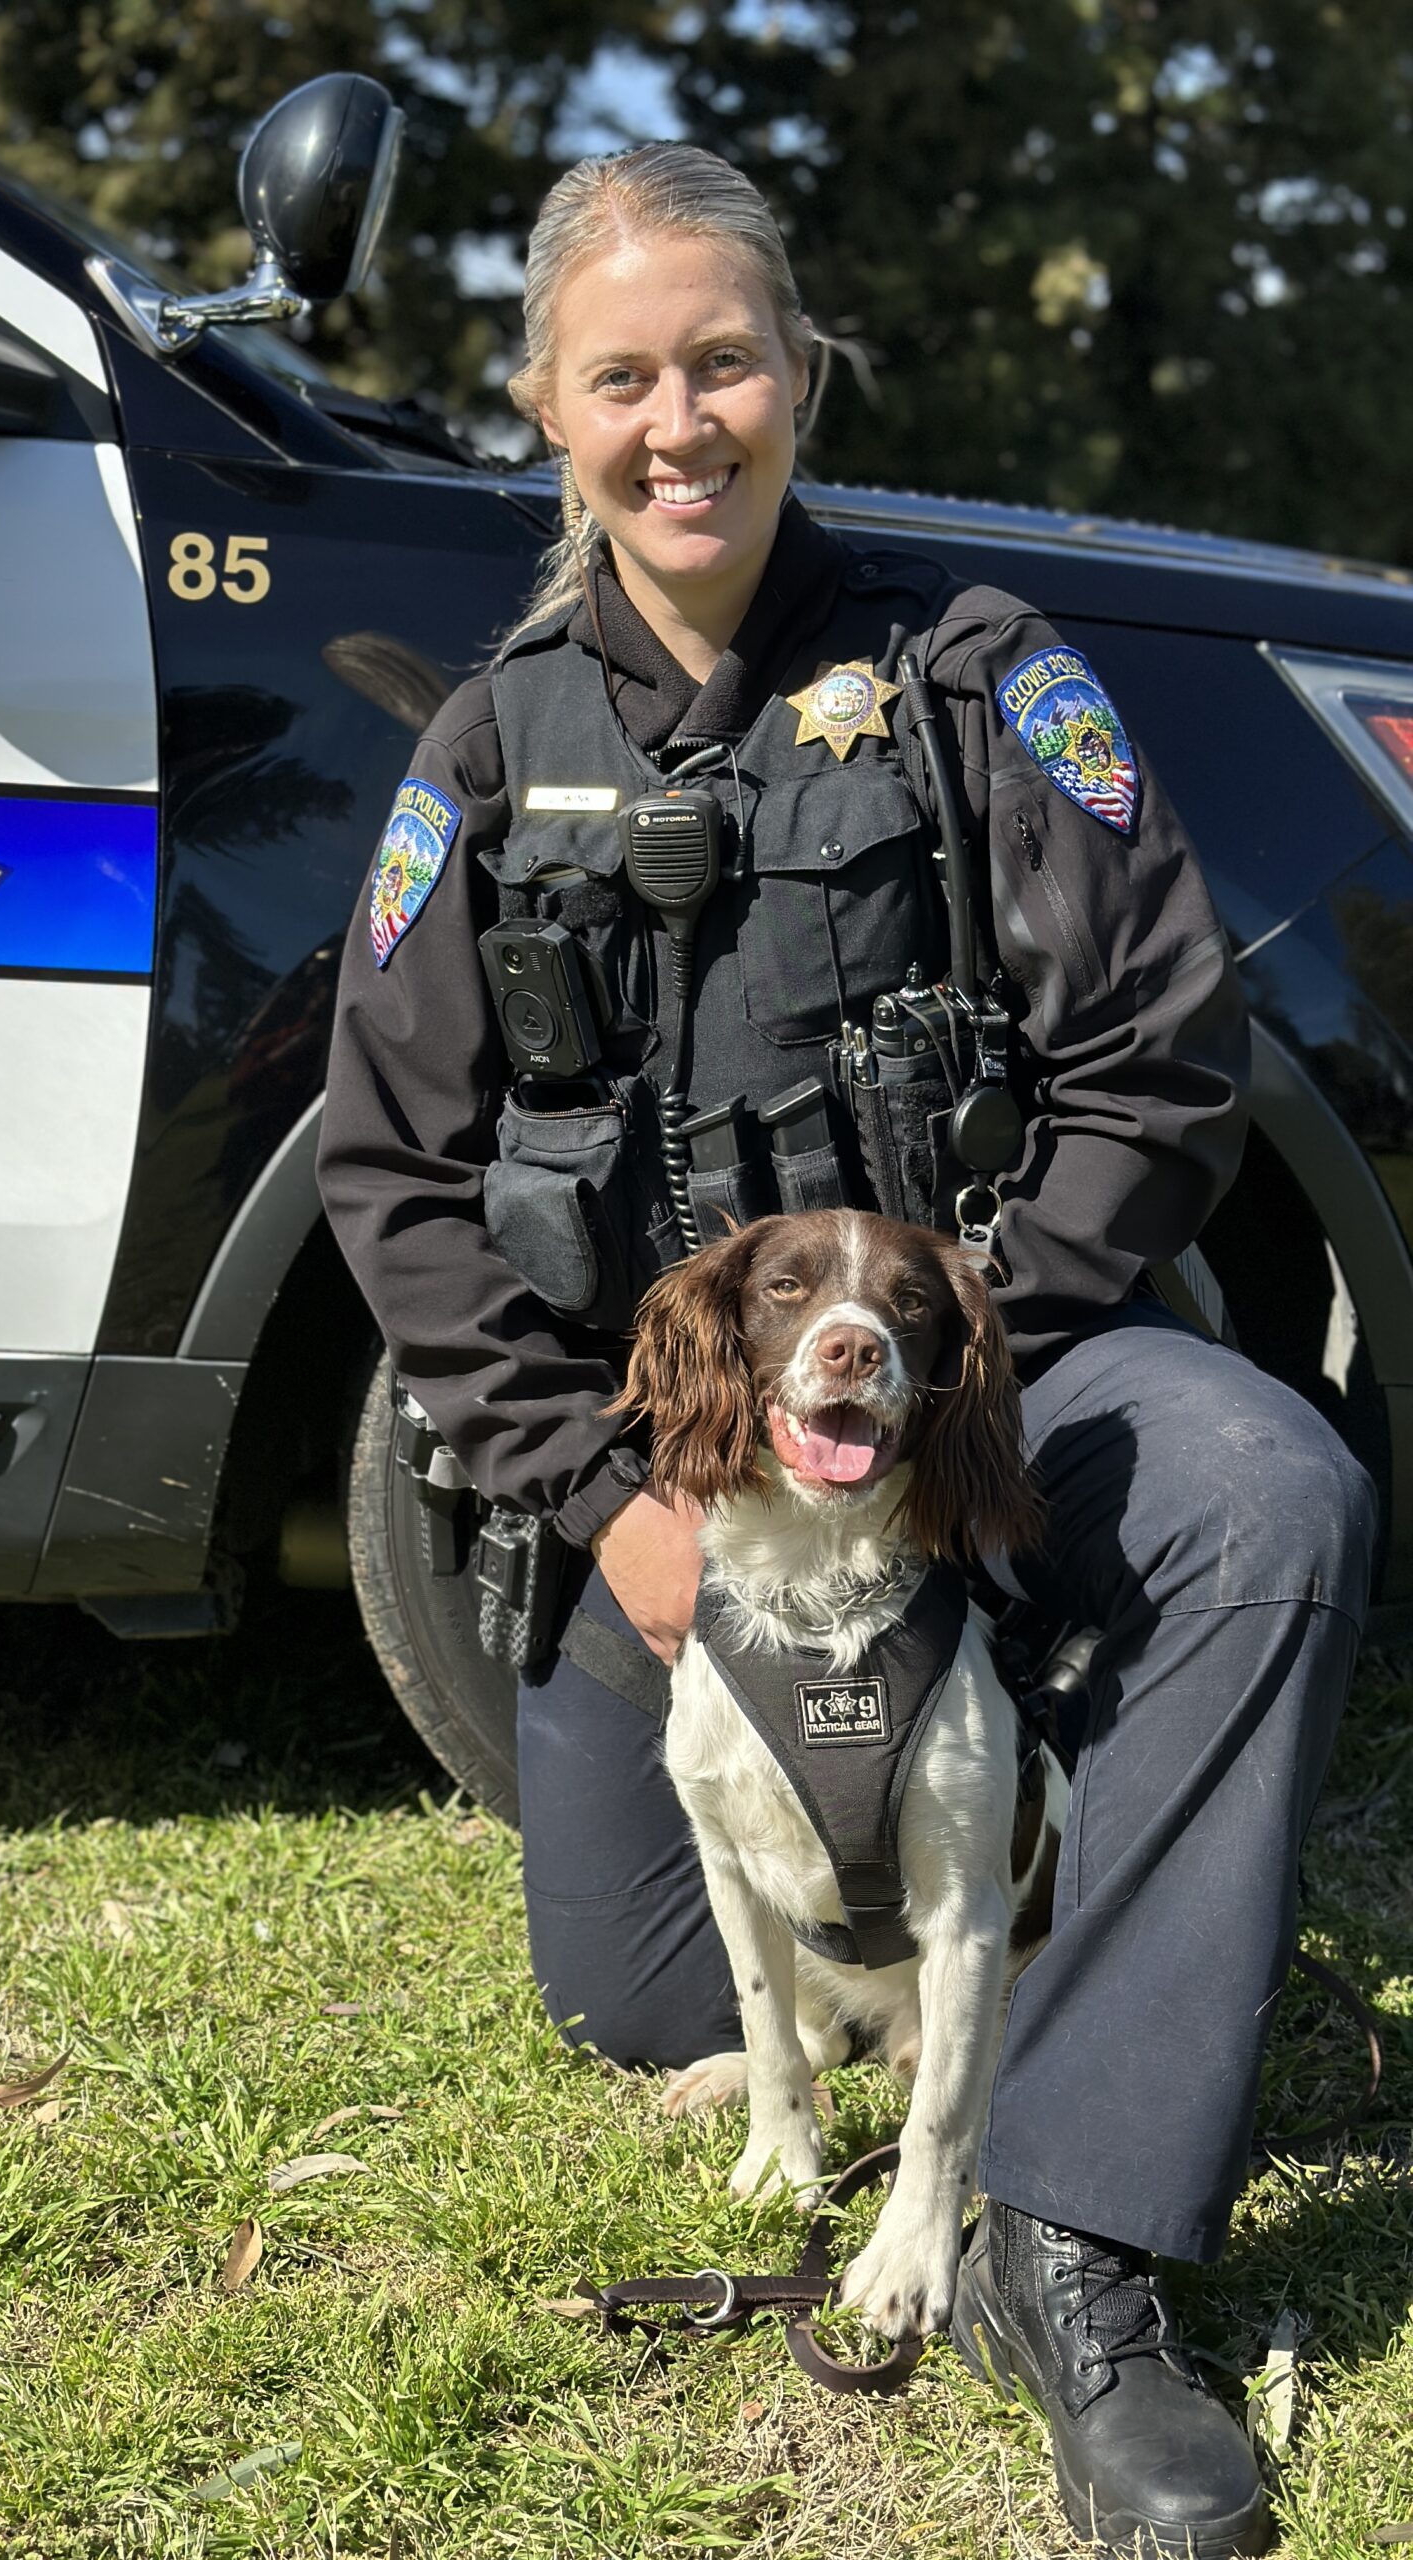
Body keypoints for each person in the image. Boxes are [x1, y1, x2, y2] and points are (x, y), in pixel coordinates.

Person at [317, 142, 1374, 2558]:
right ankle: (987, 1886)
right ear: (546, 413)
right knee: (646, 1992)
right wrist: (614, 1505)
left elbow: (1166, 1055)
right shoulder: (486, 753)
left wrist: (971, 1380)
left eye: (724, 362)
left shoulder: (984, 677)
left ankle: (1072, 2242)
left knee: (1272, 1493)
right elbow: (388, 1172)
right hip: (685, 1485)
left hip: (994, 1391)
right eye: (622, 378)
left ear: (798, 376)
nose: (679, 421)